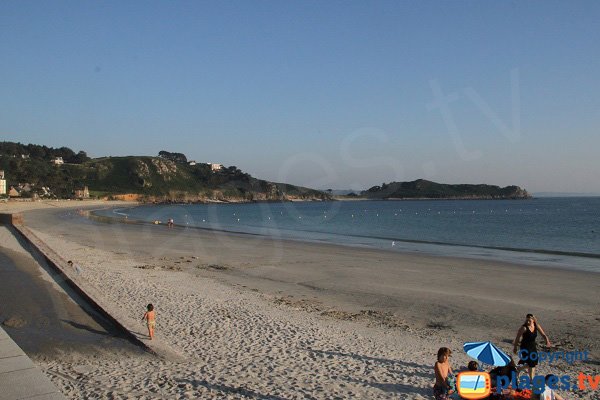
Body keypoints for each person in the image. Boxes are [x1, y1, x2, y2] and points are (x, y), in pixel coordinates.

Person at [513, 314, 551, 380]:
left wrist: (547, 341)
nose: (528, 322)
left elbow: (543, 334)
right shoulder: (524, 328)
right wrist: (515, 347)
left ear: (533, 320)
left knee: (533, 362)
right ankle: (531, 379)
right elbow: (517, 338)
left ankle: (519, 369)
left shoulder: (537, 326)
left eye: (529, 321)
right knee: (531, 363)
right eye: (527, 320)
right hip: (525, 347)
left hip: (533, 346)